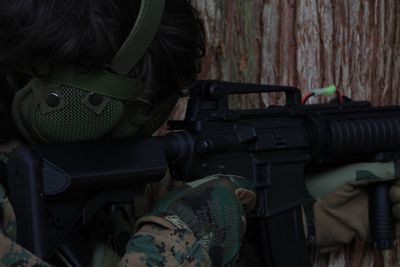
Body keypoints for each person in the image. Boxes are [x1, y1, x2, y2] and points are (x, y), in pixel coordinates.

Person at [0, 0, 400, 266]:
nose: (148, 123)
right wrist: (179, 239)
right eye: (140, 107)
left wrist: (307, 218)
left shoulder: (45, 167)